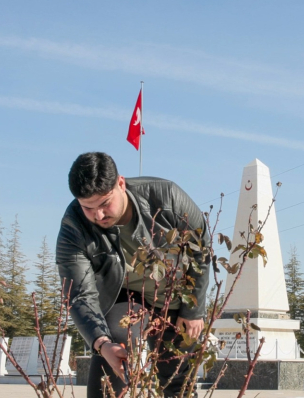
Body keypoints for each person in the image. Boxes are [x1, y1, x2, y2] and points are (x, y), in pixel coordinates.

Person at [56, 152, 210, 398]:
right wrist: (102, 343)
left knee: (177, 380)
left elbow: (201, 249)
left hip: (172, 296)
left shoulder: (167, 196)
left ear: (121, 183)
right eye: (88, 207)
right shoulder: (74, 226)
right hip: (121, 295)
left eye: (105, 203)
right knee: (112, 349)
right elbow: (79, 293)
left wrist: (193, 310)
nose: (98, 215)